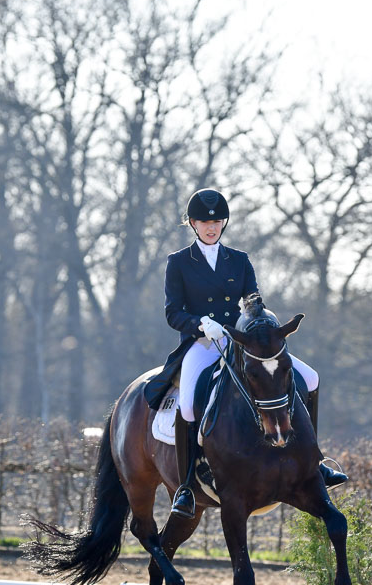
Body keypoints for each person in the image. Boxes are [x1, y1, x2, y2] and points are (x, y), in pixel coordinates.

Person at [144, 188, 348, 519]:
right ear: (192, 224)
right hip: (203, 343)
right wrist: (201, 325)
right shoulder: (178, 262)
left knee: (310, 378)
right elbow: (172, 313)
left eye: (217, 222)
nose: (211, 227)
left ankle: (316, 463)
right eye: (204, 222)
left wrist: (261, 323)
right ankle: (185, 487)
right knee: (189, 403)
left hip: (243, 342)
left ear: (223, 223)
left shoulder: (239, 259)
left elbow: (253, 301)